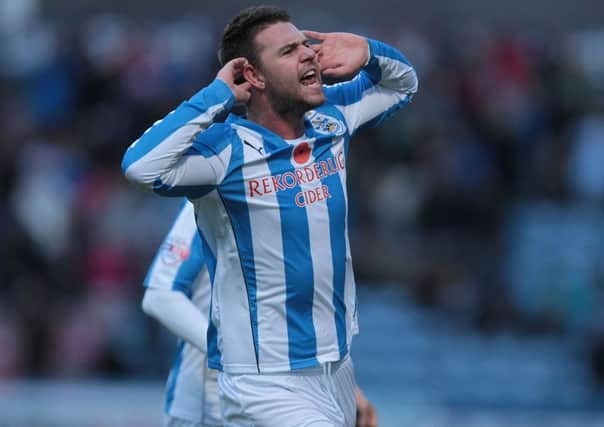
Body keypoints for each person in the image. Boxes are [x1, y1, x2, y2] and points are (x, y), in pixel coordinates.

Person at [123, 5, 417, 426]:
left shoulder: (331, 120)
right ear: (253, 76)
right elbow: (140, 166)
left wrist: (367, 51)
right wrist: (218, 95)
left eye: (305, 45)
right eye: (288, 51)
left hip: (334, 369)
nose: (307, 55)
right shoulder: (223, 155)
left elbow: (404, 84)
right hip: (262, 384)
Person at [142, 200, 379, 427]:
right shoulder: (212, 192)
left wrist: (340, 388)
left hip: (278, 396)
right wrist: (236, 352)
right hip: (205, 408)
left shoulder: (294, 197)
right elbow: (160, 296)